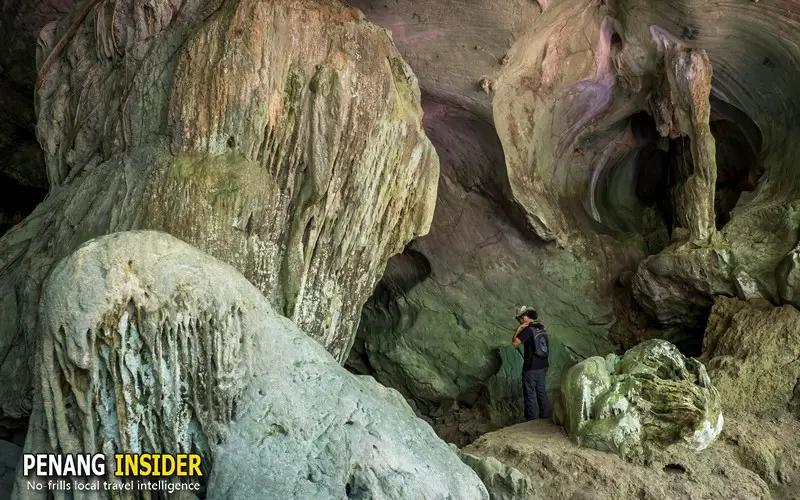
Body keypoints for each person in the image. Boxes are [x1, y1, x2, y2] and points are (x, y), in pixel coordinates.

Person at [512, 306, 550, 421]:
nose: (519, 321)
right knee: (541, 391)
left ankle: (531, 421)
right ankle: (545, 417)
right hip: (543, 365)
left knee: (529, 394)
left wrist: (519, 329)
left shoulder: (528, 330)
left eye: (519, 319)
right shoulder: (541, 328)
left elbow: (515, 343)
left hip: (531, 367)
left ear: (524, 317)